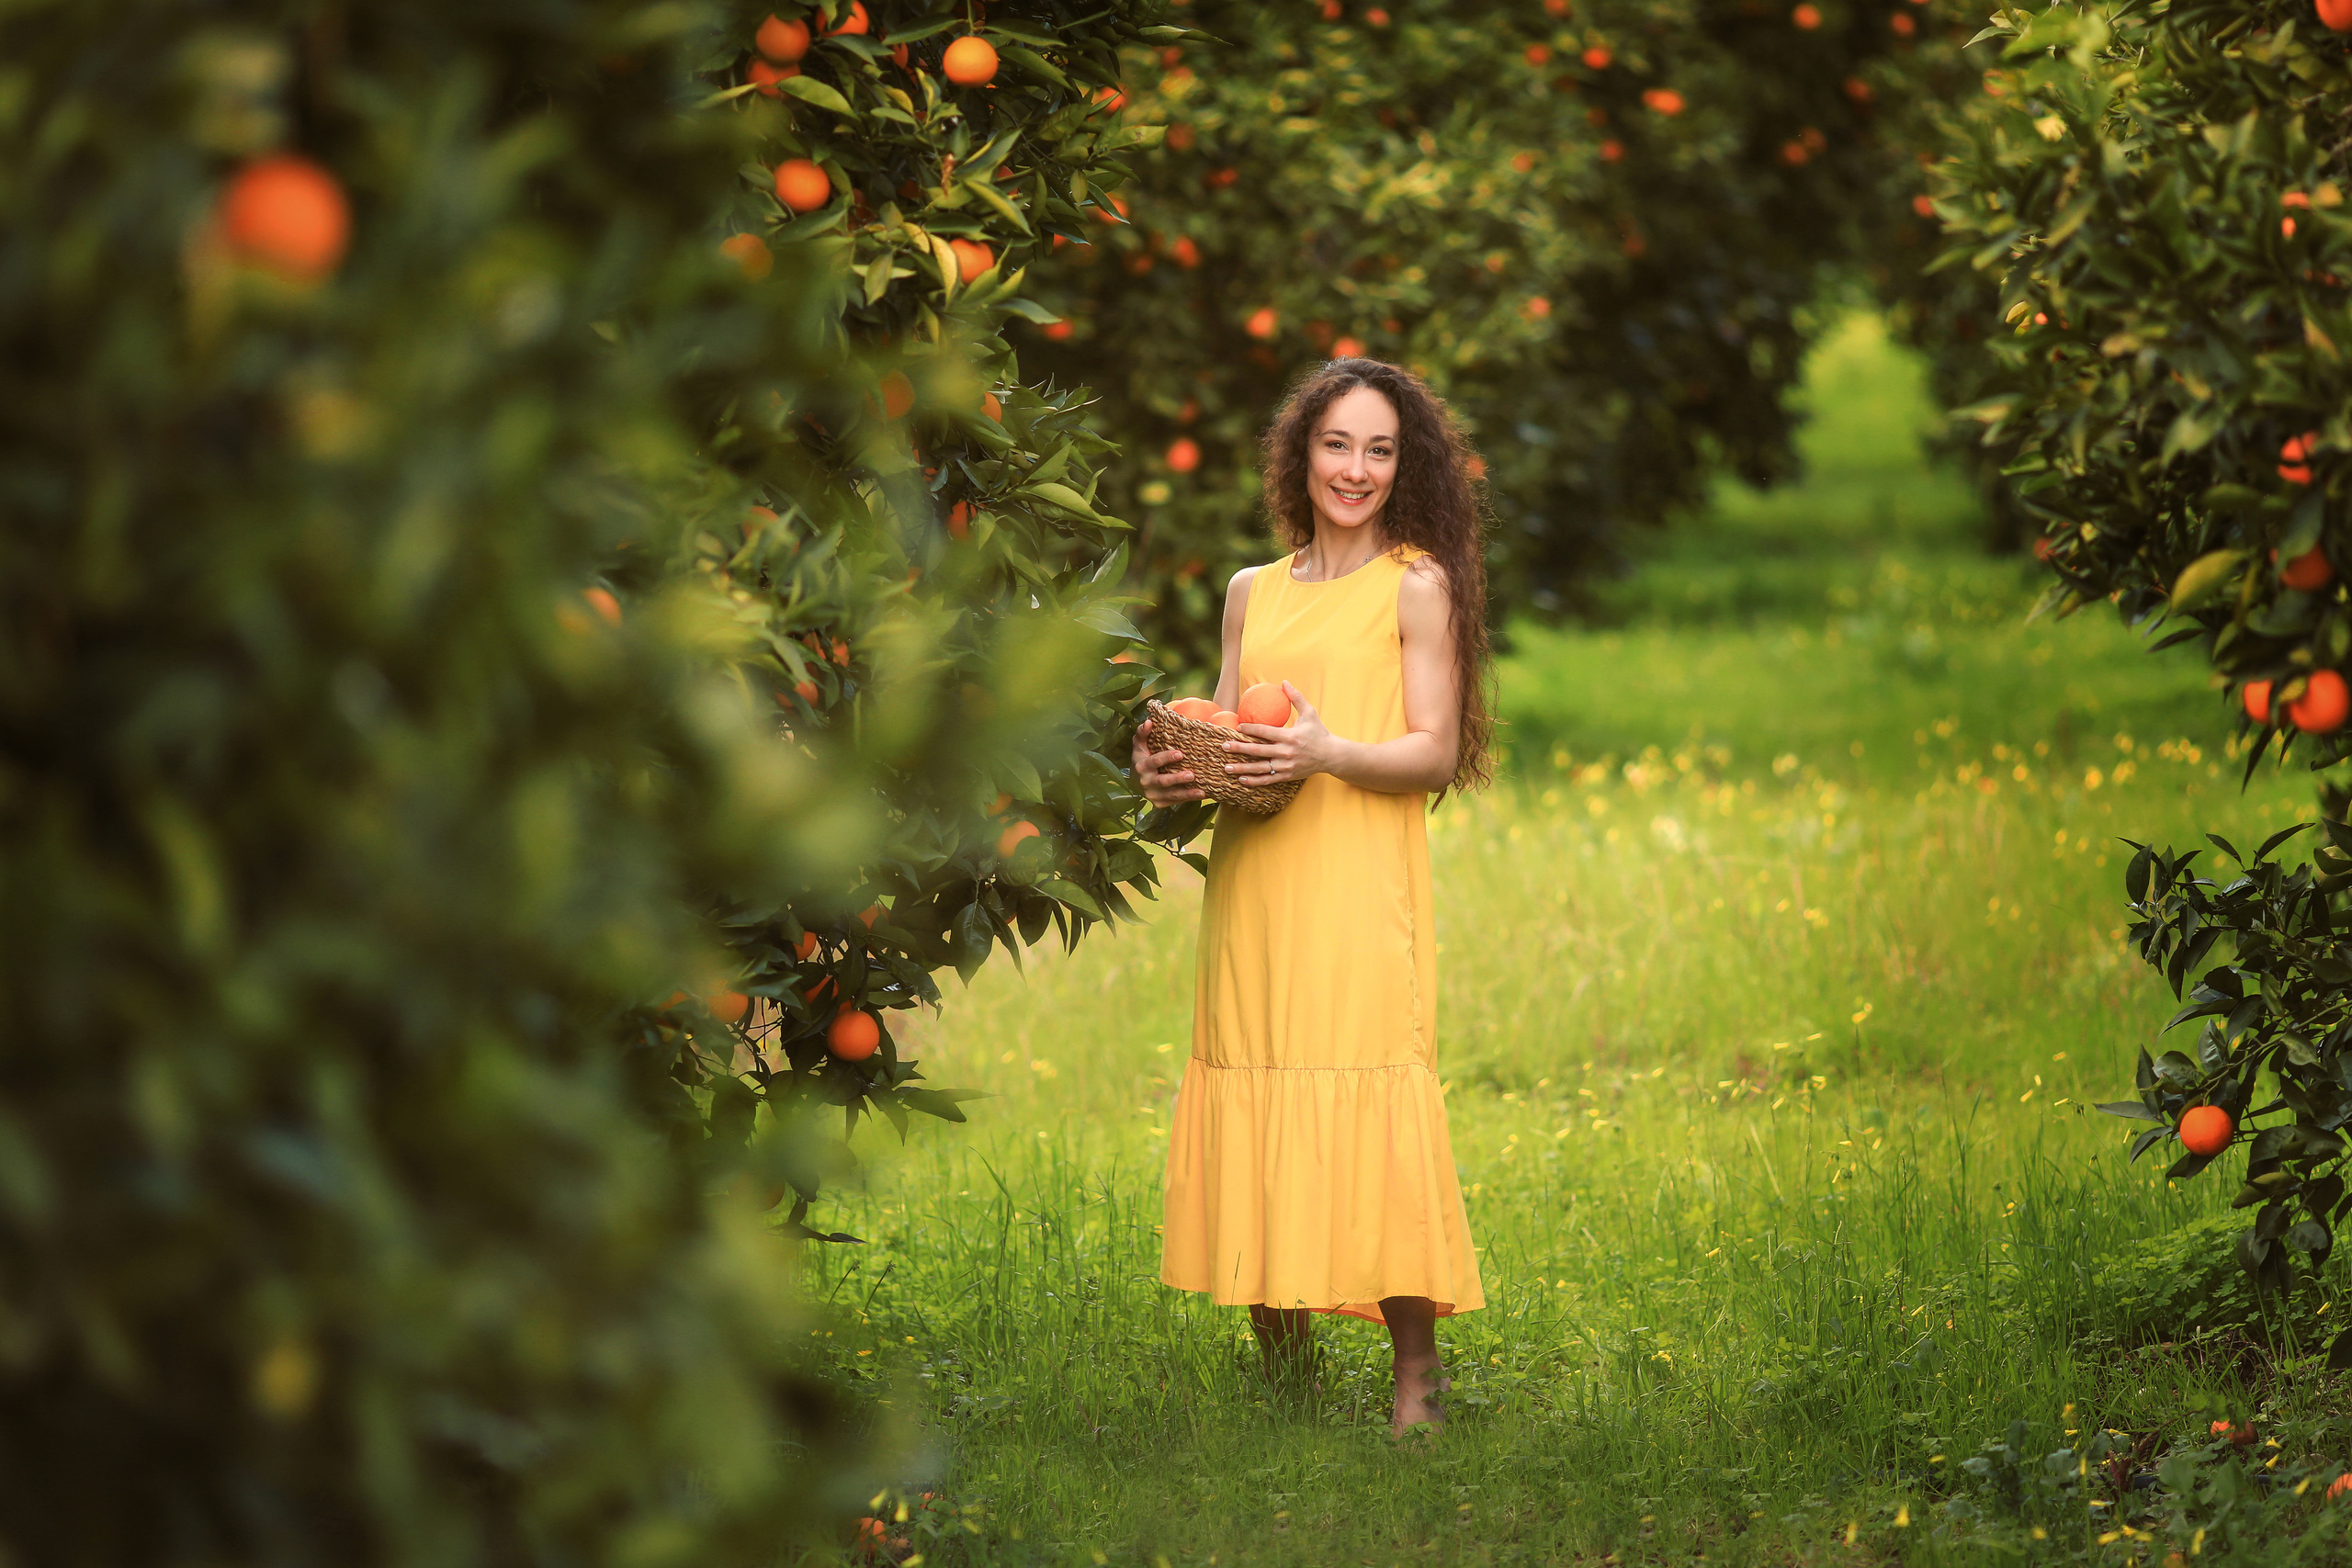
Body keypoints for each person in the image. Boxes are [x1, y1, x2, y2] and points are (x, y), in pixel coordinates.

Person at [1132, 357, 1496, 1438]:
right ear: (1301, 454)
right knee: (1262, 1086)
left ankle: (1414, 1381)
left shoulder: (1416, 586)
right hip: (1257, 884)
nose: (1356, 468)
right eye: (1337, 443)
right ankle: (1282, 1366)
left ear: (1406, 464)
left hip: (1356, 887)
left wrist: (1329, 747)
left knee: (1372, 1098)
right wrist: (1173, 775)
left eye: (1380, 449)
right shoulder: (1255, 590)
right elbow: (1241, 739)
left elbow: (1432, 752)